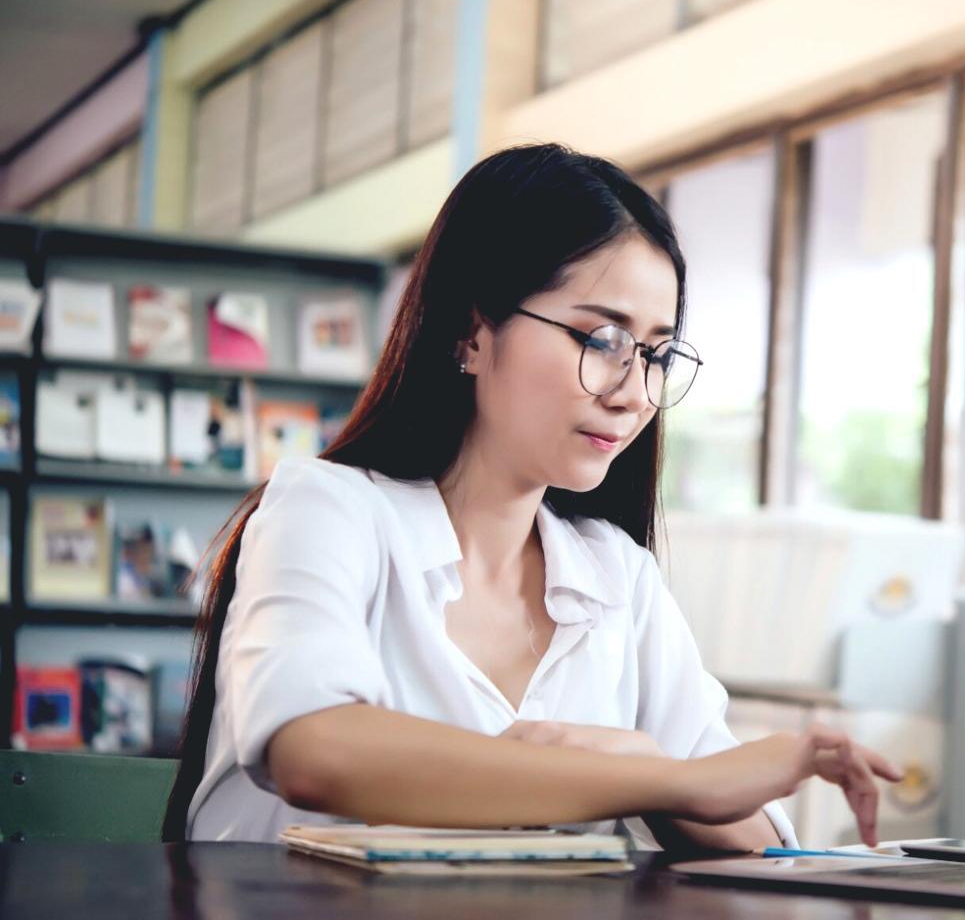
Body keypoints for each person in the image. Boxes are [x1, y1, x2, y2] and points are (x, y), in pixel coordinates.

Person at [163, 144, 901, 847]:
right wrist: (647, 778)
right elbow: (314, 749)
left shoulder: (616, 576)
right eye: (600, 338)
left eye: (656, 353)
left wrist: (647, 764)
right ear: (472, 333)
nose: (635, 394)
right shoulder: (327, 509)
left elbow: (759, 842)